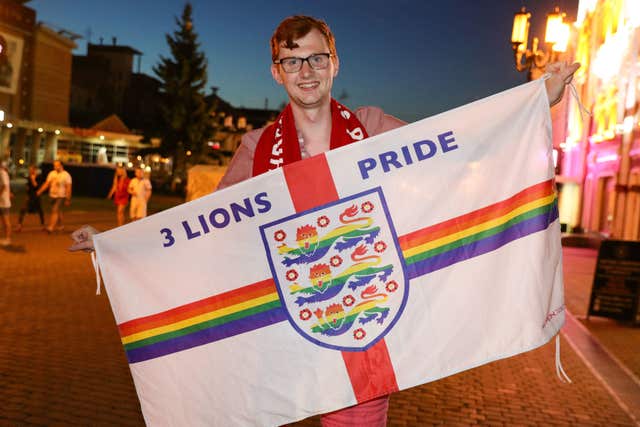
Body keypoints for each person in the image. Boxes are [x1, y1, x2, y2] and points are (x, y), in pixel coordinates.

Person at [70, 14, 580, 426]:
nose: (305, 71)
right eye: (292, 62)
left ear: (334, 63)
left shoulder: (375, 128)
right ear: (276, 72)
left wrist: (538, 100)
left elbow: (457, 149)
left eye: (316, 57)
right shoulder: (256, 149)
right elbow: (202, 231)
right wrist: (117, 244)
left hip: (365, 317)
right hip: (279, 322)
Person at [37, 160, 72, 233]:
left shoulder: (66, 175)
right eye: (54, 165)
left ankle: (51, 227)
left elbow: (68, 187)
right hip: (52, 195)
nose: (55, 167)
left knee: (55, 210)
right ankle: (61, 225)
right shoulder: (52, 173)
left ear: (61, 166)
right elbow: (47, 183)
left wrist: (68, 199)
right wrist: (40, 191)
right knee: (58, 211)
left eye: (57, 165)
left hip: (61, 196)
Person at [16, 165, 45, 231]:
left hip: (36, 197)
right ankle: (19, 225)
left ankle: (43, 225)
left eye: (32, 169)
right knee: (23, 210)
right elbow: (28, 187)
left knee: (40, 211)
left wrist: (32, 179)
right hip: (30, 197)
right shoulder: (29, 177)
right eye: (29, 170)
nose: (30, 171)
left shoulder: (38, 177)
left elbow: (36, 186)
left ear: (35, 170)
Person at [0, 160, 12, 246]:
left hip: (3, 201)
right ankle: (6, 238)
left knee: (6, 221)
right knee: (3, 221)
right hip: (2, 200)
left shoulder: (2, 173)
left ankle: (8, 239)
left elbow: (4, 185)